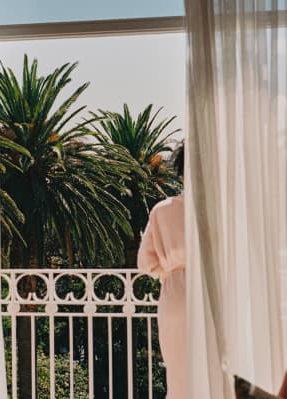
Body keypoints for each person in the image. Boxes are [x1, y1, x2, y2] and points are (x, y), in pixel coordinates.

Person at [137, 144, 185, 399]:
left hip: (176, 296)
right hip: (216, 295)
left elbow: (146, 262)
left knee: (180, 377)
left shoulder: (163, 210)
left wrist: (170, 271)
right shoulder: (225, 211)